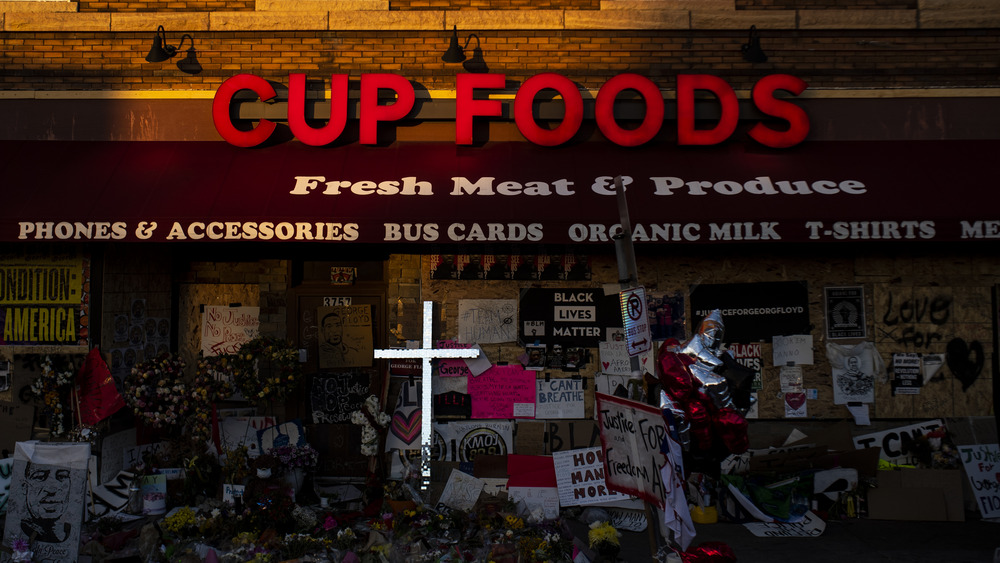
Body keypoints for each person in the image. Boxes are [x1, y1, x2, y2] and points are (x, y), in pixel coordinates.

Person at [20, 461, 72, 544]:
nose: (52, 489)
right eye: (40, 477)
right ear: (25, 487)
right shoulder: (19, 533)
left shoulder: (72, 533)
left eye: (62, 476)